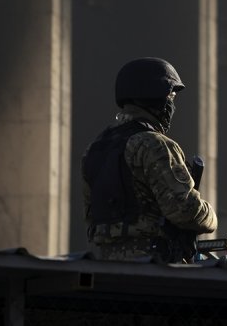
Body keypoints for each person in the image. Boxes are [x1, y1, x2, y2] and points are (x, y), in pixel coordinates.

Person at [82, 57, 218, 263]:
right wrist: (210, 214)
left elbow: (93, 216)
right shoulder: (154, 144)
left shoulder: (94, 149)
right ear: (157, 97)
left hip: (104, 263)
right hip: (153, 264)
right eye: (171, 96)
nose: (172, 104)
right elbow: (184, 210)